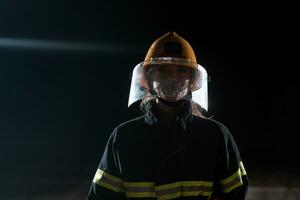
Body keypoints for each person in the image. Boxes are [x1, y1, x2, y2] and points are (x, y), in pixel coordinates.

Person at [87, 32, 248, 200]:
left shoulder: (216, 136)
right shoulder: (124, 137)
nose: (172, 77)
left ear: (193, 81)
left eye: (181, 70)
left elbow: (236, 193)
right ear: (147, 79)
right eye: (163, 70)